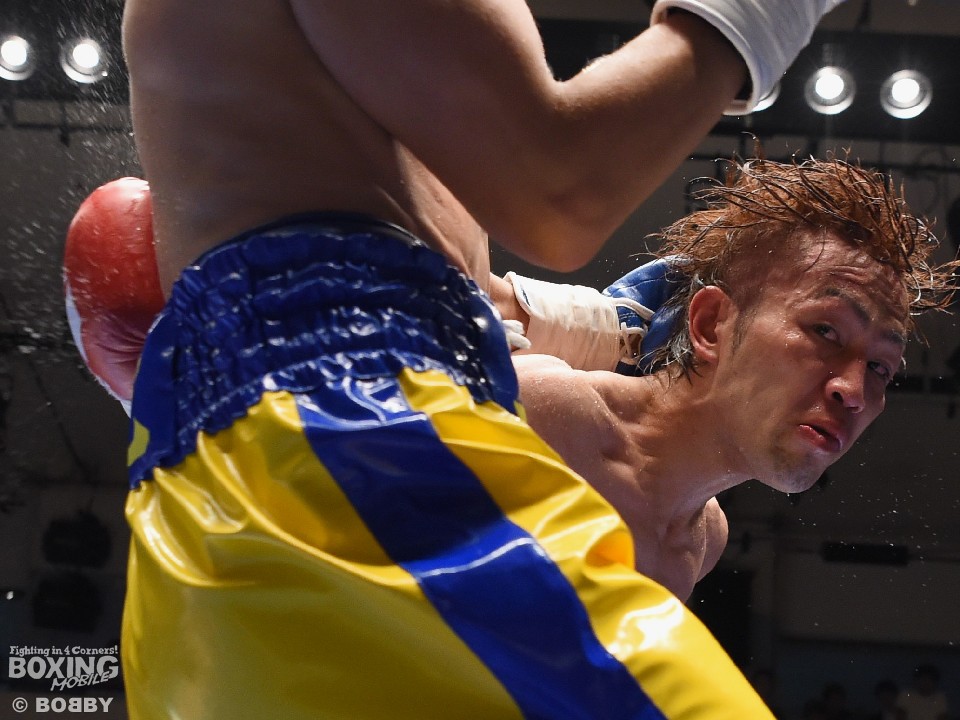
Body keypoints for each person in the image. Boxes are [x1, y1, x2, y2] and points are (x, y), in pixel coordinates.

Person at [85, 1, 846, 718]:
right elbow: (559, 187)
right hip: (349, 450)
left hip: (270, 486)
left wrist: (589, 324)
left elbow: (403, 253)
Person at [513, 156, 958, 601]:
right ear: (711, 325)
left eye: (880, 367)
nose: (854, 392)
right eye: (826, 331)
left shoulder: (703, 541)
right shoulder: (547, 415)